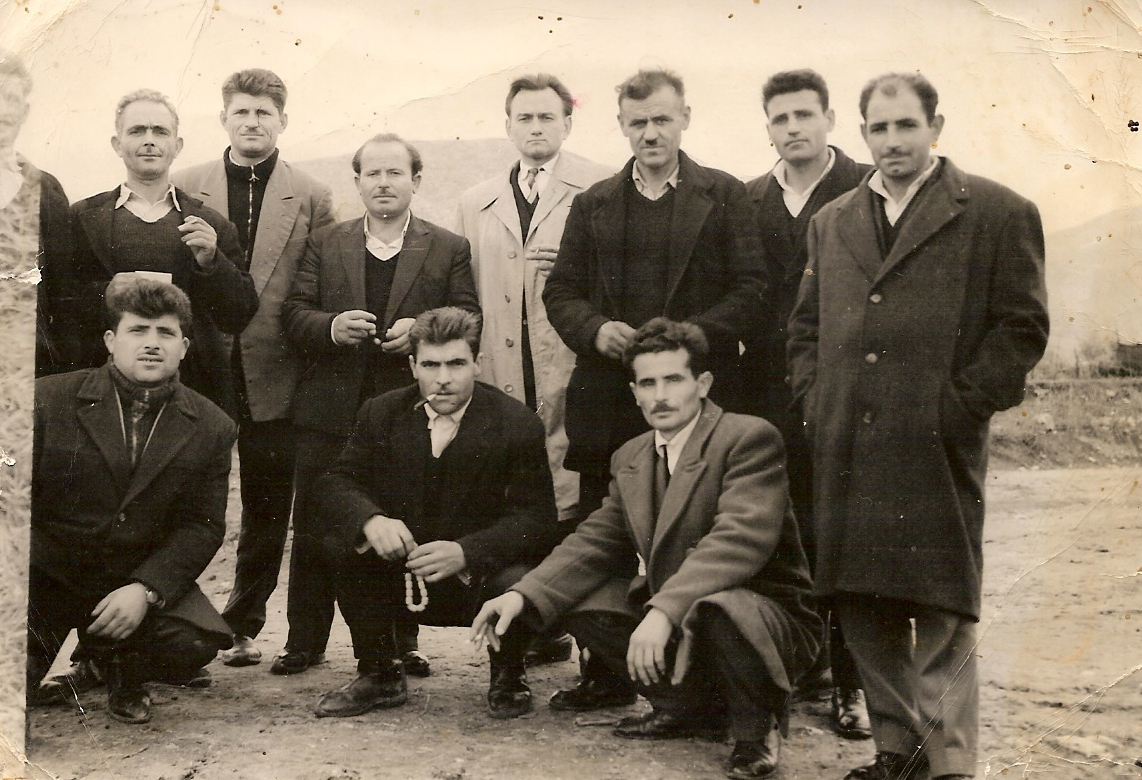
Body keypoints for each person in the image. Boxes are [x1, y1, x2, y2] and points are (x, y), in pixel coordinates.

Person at [788, 72, 1049, 780]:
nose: (893, 141)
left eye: (906, 125)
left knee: (941, 604)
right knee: (862, 601)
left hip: (936, 445)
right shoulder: (832, 220)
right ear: (862, 133)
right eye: (879, 128)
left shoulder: (997, 211)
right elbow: (806, 328)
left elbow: (1022, 327)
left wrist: (957, 408)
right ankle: (897, 752)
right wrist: (817, 401)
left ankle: (950, 764)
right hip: (848, 443)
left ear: (936, 127)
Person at [473, 318, 819, 779]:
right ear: (634, 392)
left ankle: (755, 728)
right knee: (579, 600)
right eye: (648, 383)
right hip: (681, 611)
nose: (660, 396)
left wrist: (663, 611)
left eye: (673, 380)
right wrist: (523, 594)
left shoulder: (748, 438)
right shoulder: (632, 455)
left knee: (720, 607)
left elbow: (737, 541)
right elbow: (596, 541)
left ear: (703, 384)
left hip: (760, 618)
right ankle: (684, 707)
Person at [276, 133, 479, 676]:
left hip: (405, 412)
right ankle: (303, 641)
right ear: (358, 181)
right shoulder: (326, 242)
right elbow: (294, 313)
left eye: (395, 173)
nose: (384, 183)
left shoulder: (448, 246)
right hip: (329, 411)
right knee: (316, 522)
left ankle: (400, 641)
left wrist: (423, 330)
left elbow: (469, 317)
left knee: (401, 521)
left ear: (416, 180)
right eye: (373, 173)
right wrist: (332, 326)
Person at [312, 307, 559, 720]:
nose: (443, 378)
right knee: (344, 541)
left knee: (518, 575)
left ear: (477, 363)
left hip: (478, 578)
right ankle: (379, 671)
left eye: (456, 364)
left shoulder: (517, 423)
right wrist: (372, 520)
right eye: (430, 365)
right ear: (412, 366)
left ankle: (509, 673)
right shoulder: (381, 412)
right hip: (404, 571)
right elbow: (337, 481)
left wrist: (467, 552)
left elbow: (536, 519)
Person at [542, 68, 763, 522]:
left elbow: (752, 287)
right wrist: (596, 330)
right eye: (638, 122)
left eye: (661, 120)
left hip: (699, 395)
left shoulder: (725, 193)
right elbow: (561, 290)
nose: (650, 134)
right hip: (610, 405)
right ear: (622, 125)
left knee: (697, 527)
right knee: (608, 534)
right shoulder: (593, 203)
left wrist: (688, 340)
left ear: (685, 117)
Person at [172, 68, 337, 668]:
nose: (252, 122)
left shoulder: (312, 194)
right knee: (189, 501)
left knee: (268, 505)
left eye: (264, 113)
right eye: (241, 112)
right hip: (200, 369)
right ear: (224, 119)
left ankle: (243, 624)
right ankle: (175, 626)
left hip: (279, 370)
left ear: (282, 121)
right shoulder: (184, 186)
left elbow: (320, 285)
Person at [27, 276, 235, 725]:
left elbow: (202, 526)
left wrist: (146, 589)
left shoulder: (213, 425)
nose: (152, 343)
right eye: (138, 330)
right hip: (46, 577)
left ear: (184, 347)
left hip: (130, 580)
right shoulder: (47, 399)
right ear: (110, 340)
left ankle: (117, 666)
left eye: (166, 333)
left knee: (192, 643)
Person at [455, 72, 611, 666]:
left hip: (569, 365)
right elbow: (466, 293)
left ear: (567, 123)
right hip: (501, 364)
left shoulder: (598, 190)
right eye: (525, 117)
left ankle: (581, 636)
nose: (536, 128)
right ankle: (528, 630)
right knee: (515, 492)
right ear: (508, 125)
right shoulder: (476, 201)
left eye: (548, 117)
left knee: (573, 496)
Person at [743, 68, 872, 739]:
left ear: (829, 119)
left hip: (843, 389)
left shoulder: (866, 187)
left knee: (844, 535)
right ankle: (791, 666)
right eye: (780, 118)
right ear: (767, 127)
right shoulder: (749, 199)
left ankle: (854, 682)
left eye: (804, 114)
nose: (793, 128)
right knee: (777, 531)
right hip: (765, 392)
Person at [50, 88, 258, 414]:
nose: (149, 141)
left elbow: (239, 315)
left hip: (191, 387)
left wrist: (212, 262)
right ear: (117, 144)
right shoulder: (82, 218)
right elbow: (57, 303)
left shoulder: (211, 224)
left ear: (177, 146)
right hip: (101, 387)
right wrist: (105, 293)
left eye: (160, 131)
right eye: (137, 131)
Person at [0, 53, 72, 378]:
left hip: (25, 370)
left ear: (24, 111)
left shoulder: (46, 191)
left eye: (11, 99)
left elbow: (62, 295)